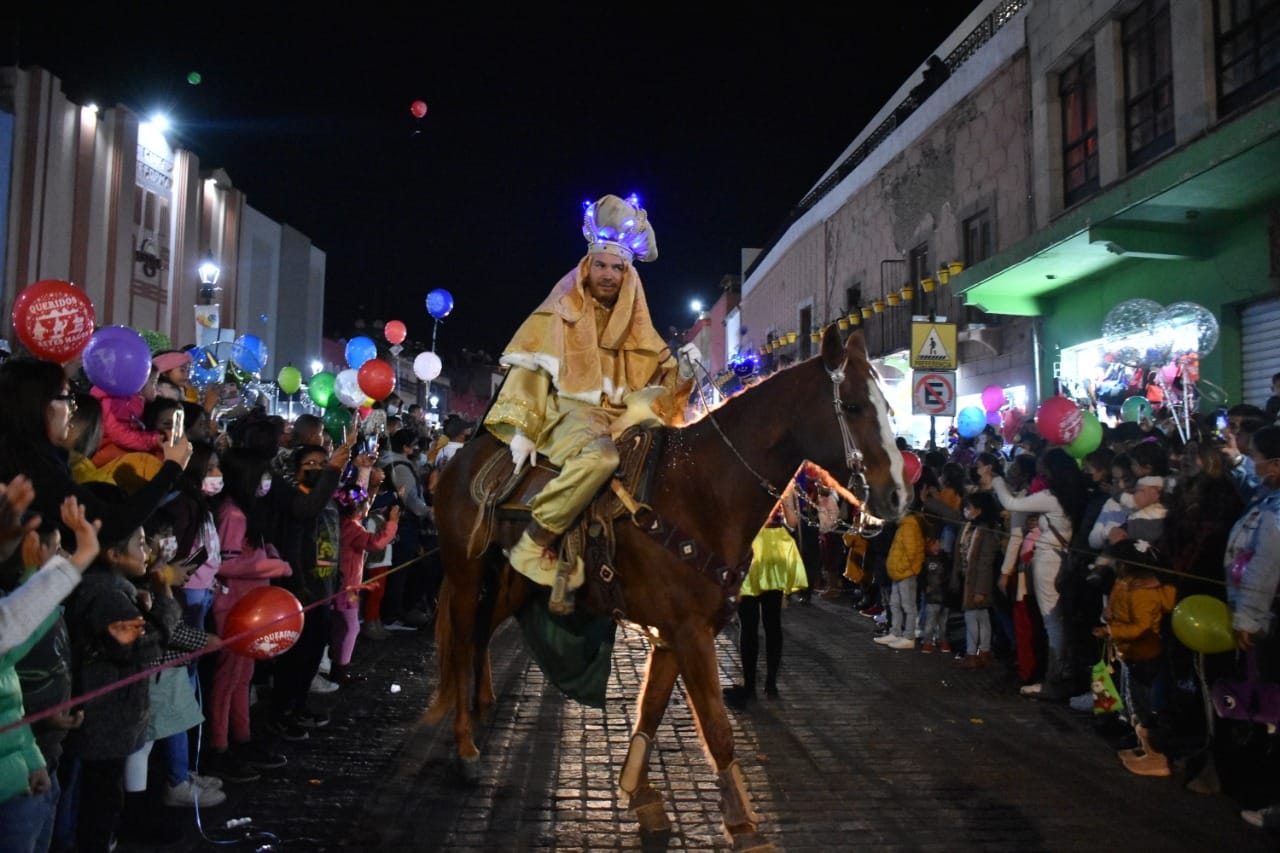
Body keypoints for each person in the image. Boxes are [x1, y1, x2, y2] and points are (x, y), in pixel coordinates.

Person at [483, 194, 698, 611]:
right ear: (587, 266)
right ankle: (536, 540)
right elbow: (532, 368)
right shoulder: (558, 315)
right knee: (600, 461)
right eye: (600, 264)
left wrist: (686, 371)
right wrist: (524, 431)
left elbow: (662, 383)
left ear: (627, 274)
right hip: (571, 414)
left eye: (617, 267)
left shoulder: (640, 331)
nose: (608, 274)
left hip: (624, 416)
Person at [985, 447, 1088, 701]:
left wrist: (996, 479)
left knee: (1052, 620)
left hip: (1048, 559)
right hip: (1060, 558)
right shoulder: (1073, 495)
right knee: (1056, 619)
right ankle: (1058, 674)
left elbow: (1011, 503)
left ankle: (1056, 677)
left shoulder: (1051, 497)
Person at [722, 483, 807, 709]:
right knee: (772, 622)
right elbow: (793, 522)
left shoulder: (745, 479)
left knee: (748, 624)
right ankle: (771, 684)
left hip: (750, 549)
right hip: (776, 550)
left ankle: (750, 686)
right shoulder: (784, 484)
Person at [331, 483, 399, 684]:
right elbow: (375, 543)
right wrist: (392, 523)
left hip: (340, 584)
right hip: (347, 586)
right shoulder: (352, 527)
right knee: (351, 628)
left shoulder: (340, 522)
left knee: (340, 628)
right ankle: (340, 669)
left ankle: (338, 666)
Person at [954, 490, 1003, 669]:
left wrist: (981, 590)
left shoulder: (985, 532)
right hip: (971, 578)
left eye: (970, 508)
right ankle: (983, 651)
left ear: (980, 510)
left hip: (976, 581)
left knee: (973, 617)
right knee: (981, 617)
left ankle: (972, 652)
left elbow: (985, 563)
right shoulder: (973, 528)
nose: (966, 511)